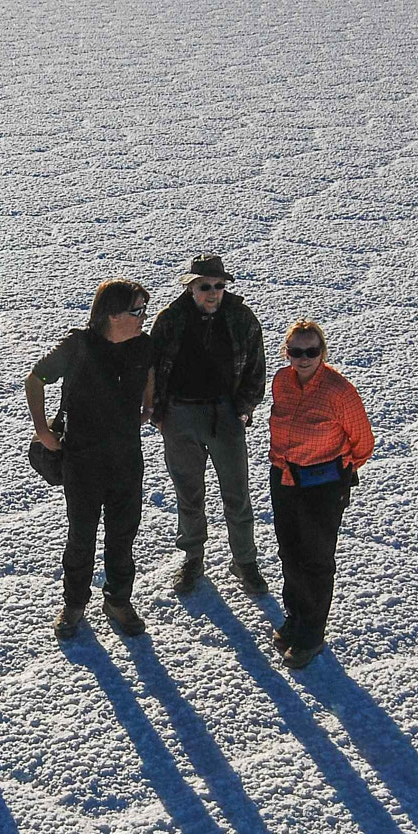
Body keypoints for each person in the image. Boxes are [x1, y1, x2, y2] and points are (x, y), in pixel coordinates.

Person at [27, 280, 156, 639]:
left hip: (127, 458)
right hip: (82, 459)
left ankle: (118, 599)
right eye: (137, 310)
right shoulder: (78, 345)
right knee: (81, 535)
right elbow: (35, 379)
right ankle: (74, 604)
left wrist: (149, 401)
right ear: (112, 315)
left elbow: (149, 369)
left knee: (123, 533)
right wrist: (42, 430)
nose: (144, 316)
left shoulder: (143, 346)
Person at [149, 254, 268, 596]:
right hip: (179, 416)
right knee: (189, 493)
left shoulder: (241, 318)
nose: (213, 293)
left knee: (237, 494)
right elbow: (152, 369)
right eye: (205, 286)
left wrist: (243, 410)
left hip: (224, 416)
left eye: (218, 286)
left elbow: (255, 371)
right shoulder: (170, 320)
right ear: (190, 287)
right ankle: (193, 557)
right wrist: (159, 413)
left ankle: (244, 561)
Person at [266, 319, 374, 669]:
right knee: (289, 551)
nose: (304, 358)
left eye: (312, 351)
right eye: (297, 351)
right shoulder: (282, 381)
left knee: (315, 558)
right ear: (287, 352)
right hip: (284, 478)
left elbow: (363, 443)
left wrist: (336, 476)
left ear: (323, 352)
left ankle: (311, 633)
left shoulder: (340, 391)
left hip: (322, 486)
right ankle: (294, 618)